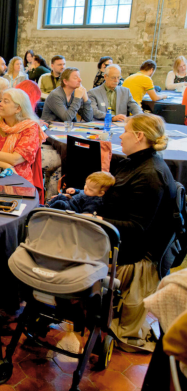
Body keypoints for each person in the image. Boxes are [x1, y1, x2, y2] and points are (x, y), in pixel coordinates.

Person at [101, 114, 176, 352]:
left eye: (125, 131)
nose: (120, 136)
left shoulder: (151, 174)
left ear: (139, 136)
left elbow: (137, 228)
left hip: (136, 251)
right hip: (124, 237)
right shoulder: (133, 162)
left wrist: (96, 220)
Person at [0, 88, 46, 196]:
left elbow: (15, 159)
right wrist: (6, 166)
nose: (0, 104)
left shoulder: (30, 128)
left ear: (18, 108)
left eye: (6, 101)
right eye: (1, 100)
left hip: (19, 183)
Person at [47, 171, 115, 214]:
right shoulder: (89, 192)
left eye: (89, 189)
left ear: (100, 193)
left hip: (72, 210)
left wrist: (84, 215)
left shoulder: (94, 201)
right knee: (61, 196)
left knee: (60, 203)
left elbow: (87, 214)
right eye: (85, 184)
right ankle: (47, 205)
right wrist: (74, 190)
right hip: (70, 202)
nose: (85, 188)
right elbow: (80, 191)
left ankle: (46, 211)